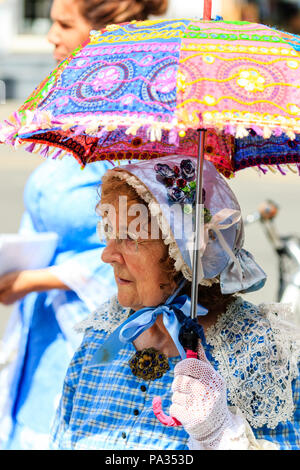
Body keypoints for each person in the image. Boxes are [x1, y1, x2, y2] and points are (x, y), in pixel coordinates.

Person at [0, 0, 168, 450]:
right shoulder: (76, 112)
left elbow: (153, 249)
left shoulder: (137, 128)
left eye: (63, 23)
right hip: (42, 327)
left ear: (103, 33)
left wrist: (38, 277)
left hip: (97, 333)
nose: (51, 36)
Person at [51, 155, 300, 450]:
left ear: (184, 254)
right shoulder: (104, 334)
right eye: (108, 232)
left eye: (131, 239)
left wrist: (217, 435)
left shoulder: (256, 352)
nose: (107, 255)